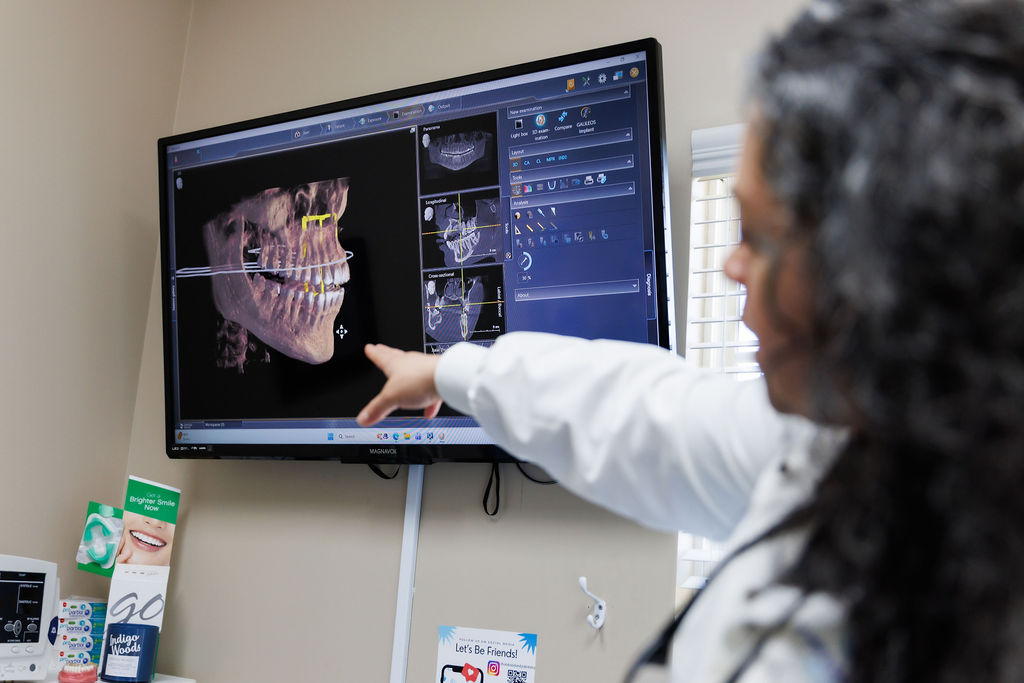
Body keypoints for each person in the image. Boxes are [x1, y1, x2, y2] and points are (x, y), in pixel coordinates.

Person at [358, 0, 1024, 679]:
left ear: (883, 274)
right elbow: (641, 412)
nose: (731, 264)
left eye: (760, 237)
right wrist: (449, 373)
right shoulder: (844, 452)